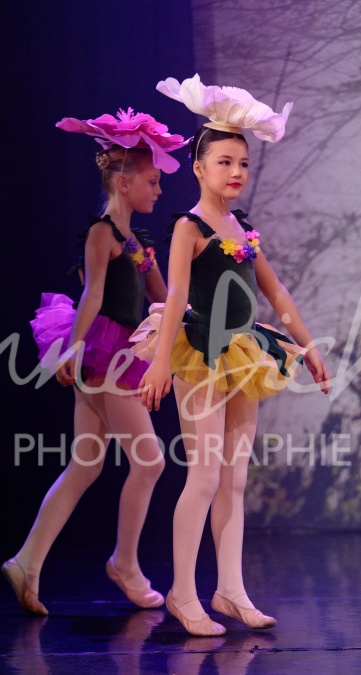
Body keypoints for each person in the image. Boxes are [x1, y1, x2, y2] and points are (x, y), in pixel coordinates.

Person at [130, 75, 330, 636]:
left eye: (242, 162)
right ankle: (182, 593)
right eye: (224, 162)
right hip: (201, 349)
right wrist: (161, 361)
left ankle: (230, 589)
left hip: (244, 350)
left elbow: (276, 291)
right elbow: (174, 296)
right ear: (199, 167)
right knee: (203, 476)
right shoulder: (188, 226)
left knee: (234, 479)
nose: (236, 171)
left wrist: (309, 346)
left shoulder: (242, 227)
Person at [1, 107, 185, 616]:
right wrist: (71, 348)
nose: (159, 190)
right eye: (151, 181)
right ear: (123, 183)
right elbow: (93, 295)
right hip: (107, 353)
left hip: (116, 353)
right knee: (149, 461)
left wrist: (199, 313)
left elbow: (165, 300)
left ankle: (26, 562)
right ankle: (124, 562)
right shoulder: (102, 234)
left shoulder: (138, 243)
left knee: (85, 464)